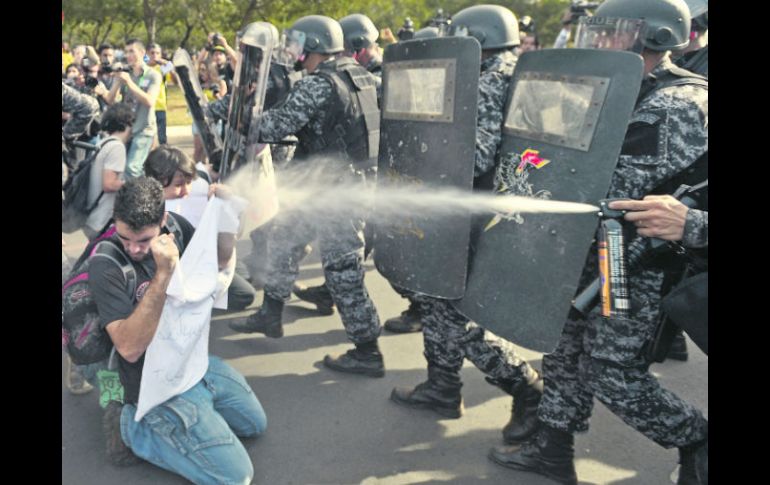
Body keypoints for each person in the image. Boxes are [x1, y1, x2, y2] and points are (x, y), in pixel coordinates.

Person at [488, 1, 708, 484]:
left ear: (654, 38)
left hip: (634, 265)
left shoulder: (676, 106)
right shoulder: (624, 89)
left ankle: (697, 439)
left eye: (613, 32)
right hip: (587, 252)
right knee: (562, 351)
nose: (601, 42)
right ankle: (551, 451)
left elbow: (607, 187)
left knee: (613, 375)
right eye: (599, 31)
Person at [388, 5, 544, 448]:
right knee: (438, 302)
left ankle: (526, 388)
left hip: (473, 214)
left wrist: (421, 146)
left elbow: (472, 156)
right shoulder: (514, 71)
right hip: (488, 212)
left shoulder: (490, 81)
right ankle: (442, 387)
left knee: (456, 311)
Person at [228, 15, 386, 378]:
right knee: (285, 239)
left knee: (342, 270)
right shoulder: (357, 74)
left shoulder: (319, 84)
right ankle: (270, 314)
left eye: (299, 44)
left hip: (339, 193)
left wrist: (239, 112)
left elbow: (273, 126)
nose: (294, 51)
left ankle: (367, 351)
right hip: (334, 184)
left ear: (314, 46)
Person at [92, 177, 266, 481]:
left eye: (143, 240)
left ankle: (199, 417)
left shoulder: (176, 226)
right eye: (125, 237)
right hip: (152, 384)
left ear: (161, 220)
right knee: (236, 477)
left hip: (190, 362)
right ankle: (133, 426)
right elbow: (130, 349)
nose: (133, 248)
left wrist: (226, 210)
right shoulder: (105, 263)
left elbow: (220, 260)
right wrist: (163, 273)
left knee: (255, 424)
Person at [143, 145, 257, 311]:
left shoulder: (201, 188)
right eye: (178, 184)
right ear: (157, 181)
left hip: (208, 255)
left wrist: (225, 203)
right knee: (243, 295)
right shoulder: (151, 209)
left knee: (245, 279)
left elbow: (234, 234)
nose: (186, 190)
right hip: (179, 267)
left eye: (189, 182)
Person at [103, 38, 162, 179]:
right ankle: (145, 191)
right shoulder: (125, 73)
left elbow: (150, 101)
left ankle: (136, 199)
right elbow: (110, 100)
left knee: (132, 168)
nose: (128, 55)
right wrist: (117, 80)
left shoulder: (153, 75)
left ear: (142, 53)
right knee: (122, 167)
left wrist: (129, 82)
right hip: (126, 129)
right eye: (126, 52)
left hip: (144, 129)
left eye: (132, 51)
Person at [83, 102, 135, 241]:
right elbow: (109, 184)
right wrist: (131, 184)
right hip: (103, 219)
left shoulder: (103, 143)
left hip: (91, 216)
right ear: (127, 124)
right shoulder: (117, 147)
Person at [147, 43, 176, 145]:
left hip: (160, 107)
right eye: (152, 53)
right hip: (146, 106)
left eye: (157, 53)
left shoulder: (162, 69)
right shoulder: (143, 68)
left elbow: (175, 81)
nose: (154, 55)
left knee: (162, 138)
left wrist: (167, 65)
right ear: (147, 54)